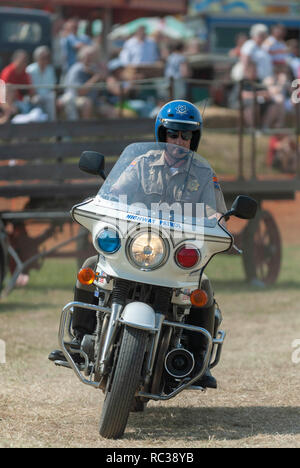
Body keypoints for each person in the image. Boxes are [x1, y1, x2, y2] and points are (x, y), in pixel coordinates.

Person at [49, 100, 227, 389]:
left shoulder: (204, 175)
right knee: (90, 267)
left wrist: (218, 220)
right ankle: (80, 340)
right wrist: (104, 200)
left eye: (185, 136)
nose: (179, 141)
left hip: (171, 259)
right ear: (162, 135)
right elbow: (115, 192)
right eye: (173, 134)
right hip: (136, 248)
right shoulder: (141, 163)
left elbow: (214, 211)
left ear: (194, 139)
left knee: (202, 286)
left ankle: (197, 359)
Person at [57, 45, 106, 120]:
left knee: (109, 110)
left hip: (95, 101)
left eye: (93, 57)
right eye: (88, 57)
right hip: (73, 99)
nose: (91, 59)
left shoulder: (93, 68)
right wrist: (95, 77)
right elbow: (80, 92)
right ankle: (85, 130)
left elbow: (105, 76)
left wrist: (98, 70)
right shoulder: (77, 69)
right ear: (82, 58)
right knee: (87, 103)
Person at [26, 46, 57, 121]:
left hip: (47, 96)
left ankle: (52, 123)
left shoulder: (50, 69)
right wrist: (33, 95)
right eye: (43, 57)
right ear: (36, 58)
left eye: (46, 57)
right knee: (37, 100)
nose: (45, 60)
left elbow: (52, 87)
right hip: (34, 96)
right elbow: (29, 88)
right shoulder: (30, 70)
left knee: (51, 98)